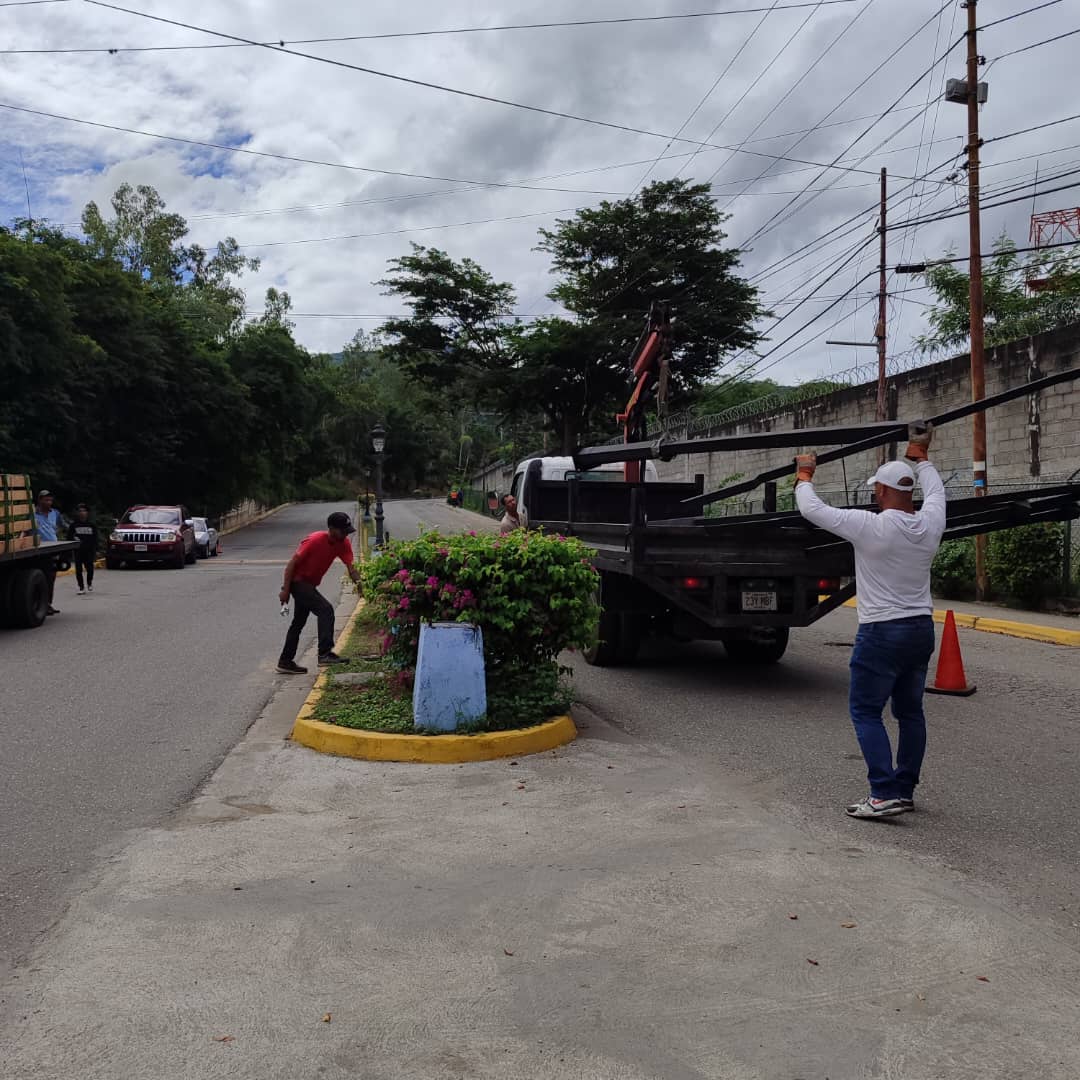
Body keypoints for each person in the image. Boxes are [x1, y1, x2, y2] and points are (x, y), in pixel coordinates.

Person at [794, 424, 945, 819]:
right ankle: (904, 788)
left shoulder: (870, 526)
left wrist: (804, 475)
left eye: (876, 489)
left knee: (865, 710)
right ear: (907, 491)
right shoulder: (930, 525)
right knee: (910, 713)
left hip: (881, 631)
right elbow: (936, 493)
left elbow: (811, 510)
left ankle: (882, 793)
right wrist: (922, 456)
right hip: (920, 628)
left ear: (880, 491)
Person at [276, 511, 362, 675]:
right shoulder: (315, 540)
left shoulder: (343, 544)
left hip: (309, 585)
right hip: (298, 582)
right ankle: (324, 653)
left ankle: (285, 661)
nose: (345, 534)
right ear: (331, 528)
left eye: (347, 531)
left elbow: (351, 569)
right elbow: (291, 565)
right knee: (325, 609)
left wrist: (360, 586)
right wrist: (285, 590)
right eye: (342, 531)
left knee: (298, 622)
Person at [34, 490, 64, 615]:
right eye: (46, 500)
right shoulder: (32, 514)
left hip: (53, 550)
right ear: (40, 500)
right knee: (41, 578)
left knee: (51, 578)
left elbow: (61, 525)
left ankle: (48, 604)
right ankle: (40, 604)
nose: (49, 502)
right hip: (38, 551)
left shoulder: (55, 513)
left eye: (50, 500)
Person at [67, 503, 98, 595]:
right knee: (78, 569)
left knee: (90, 568)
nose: (82, 513)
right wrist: (73, 540)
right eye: (80, 511)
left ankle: (89, 582)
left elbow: (95, 538)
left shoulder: (91, 525)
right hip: (78, 551)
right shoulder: (73, 525)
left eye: (84, 511)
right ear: (77, 513)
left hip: (89, 550)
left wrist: (95, 549)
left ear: (87, 513)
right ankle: (81, 587)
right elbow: (69, 537)